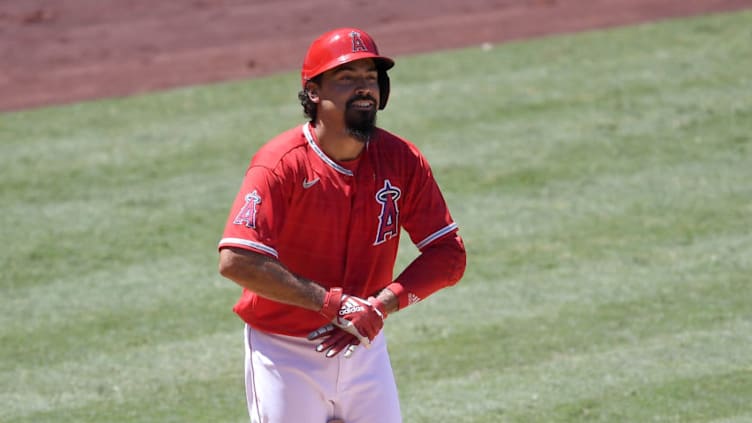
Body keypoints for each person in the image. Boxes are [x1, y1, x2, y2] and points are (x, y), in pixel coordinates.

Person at [217, 27, 466, 423]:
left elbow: (448, 256)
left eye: (370, 77)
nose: (363, 88)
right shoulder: (281, 164)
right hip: (285, 354)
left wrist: (381, 305)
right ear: (313, 92)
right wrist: (333, 304)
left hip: (365, 346)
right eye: (347, 78)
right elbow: (237, 260)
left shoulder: (401, 159)